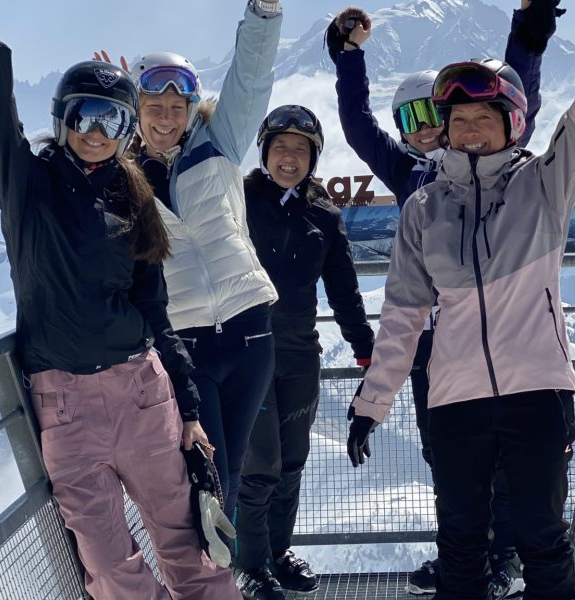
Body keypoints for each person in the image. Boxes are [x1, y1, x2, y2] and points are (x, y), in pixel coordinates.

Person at [346, 1, 575, 598]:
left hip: (537, 392)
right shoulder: (424, 208)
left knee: (541, 537)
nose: (471, 127)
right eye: (459, 119)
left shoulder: (545, 183)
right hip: (455, 401)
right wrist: (371, 404)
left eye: (487, 115)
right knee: (459, 543)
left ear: (514, 123)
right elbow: (404, 315)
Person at [0, 1, 242, 598]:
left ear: (127, 132)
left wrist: (188, 410)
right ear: (61, 119)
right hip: (66, 409)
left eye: (110, 121)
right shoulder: (25, 182)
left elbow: (156, 314)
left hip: (143, 395)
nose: (94, 133)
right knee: (109, 568)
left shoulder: (132, 201)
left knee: (191, 548)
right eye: (84, 116)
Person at [327, 1, 561, 595]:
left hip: (500, 345)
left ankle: (502, 555)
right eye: (415, 118)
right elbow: (358, 128)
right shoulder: (414, 182)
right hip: (434, 351)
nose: (429, 128)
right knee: (452, 464)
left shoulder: (502, 169)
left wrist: (525, 38)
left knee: (512, 469)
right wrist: (348, 60)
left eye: (435, 114)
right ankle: (467, 555)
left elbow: (515, 95)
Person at [128, 0, 282, 523]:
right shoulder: (122, 177)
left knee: (230, 464)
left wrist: (264, 13)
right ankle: (207, 576)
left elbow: (252, 79)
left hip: (249, 327)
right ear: (137, 109)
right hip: (186, 338)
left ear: (192, 108)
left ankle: (219, 575)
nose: (167, 119)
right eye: (155, 107)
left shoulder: (220, 143)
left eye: (177, 108)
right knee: (203, 468)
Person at [234, 105, 376, 599]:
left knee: (292, 459)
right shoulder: (239, 198)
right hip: (245, 352)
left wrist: (367, 354)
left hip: (299, 354)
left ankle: (276, 554)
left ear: (313, 157)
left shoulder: (324, 215)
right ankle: (249, 567)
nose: (289, 158)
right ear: (264, 152)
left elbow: (344, 291)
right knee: (261, 463)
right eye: (280, 148)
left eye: (300, 149)